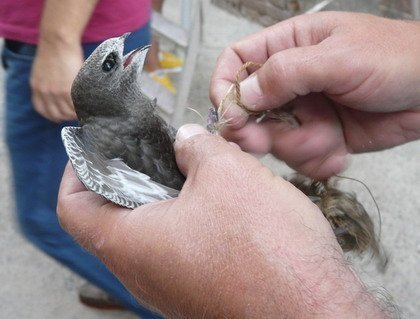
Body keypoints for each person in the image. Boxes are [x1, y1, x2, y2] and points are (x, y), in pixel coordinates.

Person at [57, 11, 419, 318]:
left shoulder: (124, 111)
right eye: (111, 64)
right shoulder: (94, 141)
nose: (124, 45)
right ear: (103, 92)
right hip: (179, 196)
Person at [0, 0, 162, 317]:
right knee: (117, 192)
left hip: (76, 41)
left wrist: (58, 39)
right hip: (101, 28)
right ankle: (137, 283)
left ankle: (174, 301)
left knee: (48, 216)